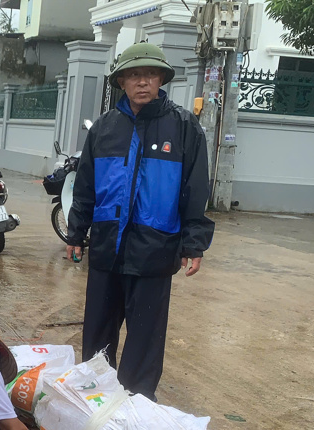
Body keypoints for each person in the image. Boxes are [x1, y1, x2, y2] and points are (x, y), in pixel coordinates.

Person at [64, 42, 215, 400]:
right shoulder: (104, 128)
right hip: (107, 247)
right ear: (122, 82)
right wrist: (76, 231)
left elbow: (195, 189)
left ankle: (136, 403)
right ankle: (94, 398)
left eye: (149, 74)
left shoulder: (183, 127)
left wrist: (194, 241)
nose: (142, 82)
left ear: (161, 78)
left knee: (145, 336)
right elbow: (85, 185)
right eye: (133, 75)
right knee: (98, 333)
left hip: (155, 249)